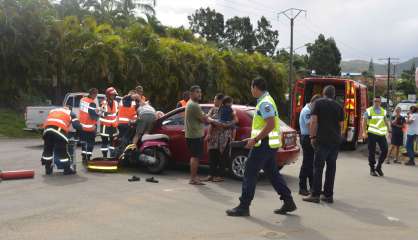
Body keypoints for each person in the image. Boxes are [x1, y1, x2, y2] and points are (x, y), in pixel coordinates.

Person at [226, 77, 296, 217]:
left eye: (251, 87)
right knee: (273, 174)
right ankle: (288, 201)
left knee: (250, 173)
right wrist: (253, 138)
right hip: (268, 144)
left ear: (256, 87)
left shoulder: (264, 103)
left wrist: (256, 139)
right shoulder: (267, 100)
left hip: (264, 144)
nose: (251, 90)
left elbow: (270, 124)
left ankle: (243, 206)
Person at [303, 85, 344, 204]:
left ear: (323, 93)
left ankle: (315, 195)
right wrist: (337, 136)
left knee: (318, 168)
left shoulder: (318, 103)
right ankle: (328, 195)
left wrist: (312, 136)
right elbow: (341, 125)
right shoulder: (339, 106)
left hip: (322, 140)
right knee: (331, 168)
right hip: (335, 142)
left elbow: (313, 121)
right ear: (334, 94)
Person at [204, 94, 238, 182]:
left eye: (215, 99)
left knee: (222, 157)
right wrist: (214, 121)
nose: (214, 101)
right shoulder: (212, 110)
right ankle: (211, 175)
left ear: (220, 101)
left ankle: (220, 176)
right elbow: (207, 119)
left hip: (225, 137)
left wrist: (225, 124)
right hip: (214, 137)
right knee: (212, 156)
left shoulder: (231, 111)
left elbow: (235, 121)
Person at [185, 85, 214, 185]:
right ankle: (193, 179)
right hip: (195, 135)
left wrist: (208, 116)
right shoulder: (194, 105)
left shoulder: (192, 104)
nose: (199, 94)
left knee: (195, 157)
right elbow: (204, 119)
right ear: (191, 93)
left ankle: (194, 177)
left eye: (200, 92)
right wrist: (210, 117)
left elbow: (203, 117)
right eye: (197, 92)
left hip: (192, 135)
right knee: (195, 157)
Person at [41, 107, 81, 175]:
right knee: (62, 151)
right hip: (59, 131)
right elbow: (77, 126)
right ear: (69, 109)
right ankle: (67, 170)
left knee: (48, 150)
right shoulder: (70, 113)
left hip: (47, 131)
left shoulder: (53, 111)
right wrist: (77, 136)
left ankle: (48, 169)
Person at [298, 94, 322, 196]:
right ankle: (302, 187)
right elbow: (310, 125)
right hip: (307, 138)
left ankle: (313, 187)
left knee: (312, 163)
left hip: (309, 137)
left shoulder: (310, 109)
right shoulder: (307, 111)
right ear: (314, 102)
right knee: (307, 163)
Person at [362, 96, 391, 176]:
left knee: (385, 150)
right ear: (373, 102)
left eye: (378, 101)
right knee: (372, 151)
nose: (376, 103)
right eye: (375, 101)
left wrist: (389, 130)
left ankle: (378, 167)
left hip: (381, 134)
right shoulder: (368, 111)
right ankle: (372, 169)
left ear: (380, 102)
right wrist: (364, 132)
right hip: (371, 133)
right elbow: (364, 122)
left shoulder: (383, 111)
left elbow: (386, 120)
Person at [79, 88, 100, 164]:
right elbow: (93, 116)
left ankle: (84, 157)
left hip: (82, 126)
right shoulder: (92, 103)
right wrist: (98, 114)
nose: (96, 96)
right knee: (91, 143)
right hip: (90, 127)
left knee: (84, 142)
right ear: (93, 94)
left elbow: (85, 112)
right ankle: (88, 157)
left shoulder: (83, 100)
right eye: (96, 95)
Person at [99, 87, 119, 158]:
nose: (113, 96)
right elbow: (100, 113)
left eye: (114, 95)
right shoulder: (103, 103)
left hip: (113, 126)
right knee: (104, 142)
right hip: (105, 125)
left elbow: (117, 113)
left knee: (112, 142)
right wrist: (105, 113)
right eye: (112, 95)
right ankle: (104, 156)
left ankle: (112, 156)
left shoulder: (116, 103)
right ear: (108, 95)